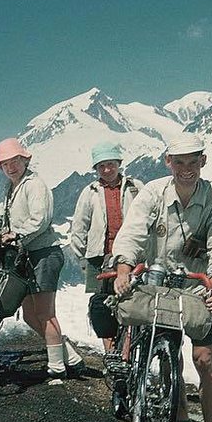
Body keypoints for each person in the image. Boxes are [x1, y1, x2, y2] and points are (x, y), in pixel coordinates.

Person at [111, 133, 212, 422]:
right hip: (160, 283)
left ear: (203, 162)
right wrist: (124, 268)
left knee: (204, 359)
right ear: (168, 163)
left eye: (193, 162)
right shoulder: (153, 193)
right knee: (169, 355)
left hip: (200, 283)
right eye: (179, 162)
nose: (186, 169)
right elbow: (134, 230)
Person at [0, 137, 84, 379]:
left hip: (43, 253)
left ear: (24, 160)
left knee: (44, 312)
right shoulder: (11, 188)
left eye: (15, 161)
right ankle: (70, 356)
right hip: (25, 255)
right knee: (30, 314)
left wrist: (16, 234)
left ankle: (57, 368)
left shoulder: (34, 185)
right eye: (5, 164)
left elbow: (40, 220)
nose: (11, 167)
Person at [68, 141, 144, 352]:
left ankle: (126, 354)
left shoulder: (136, 187)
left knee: (131, 303)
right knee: (103, 306)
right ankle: (111, 354)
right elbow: (80, 225)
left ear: (119, 163)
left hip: (134, 255)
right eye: (101, 166)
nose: (107, 170)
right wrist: (82, 256)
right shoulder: (90, 191)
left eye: (110, 164)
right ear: (96, 169)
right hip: (99, 256)